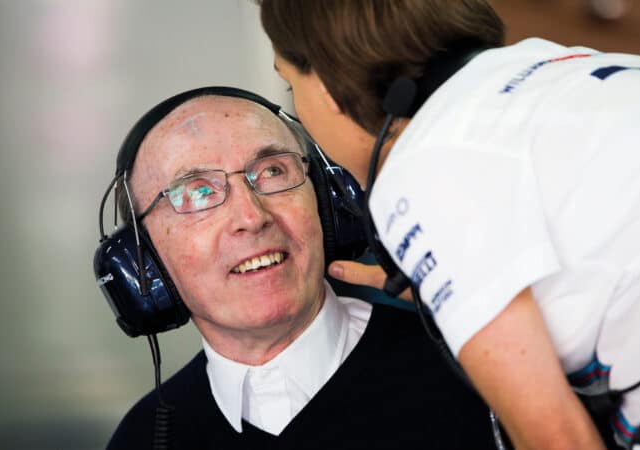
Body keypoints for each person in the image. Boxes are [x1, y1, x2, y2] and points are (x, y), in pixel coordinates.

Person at [259, 1, 640, 449]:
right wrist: (459, 292)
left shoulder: (425, 160)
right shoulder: (572, 65)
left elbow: (554, 437)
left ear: (326, 83)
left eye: (290, 83)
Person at [104, 87, 504, 450]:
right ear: (143, 264)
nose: (251, 216)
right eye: (199, 192)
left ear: (327, 205)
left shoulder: (477, 365)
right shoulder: (141, 438)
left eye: (272, 172)